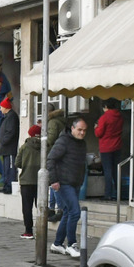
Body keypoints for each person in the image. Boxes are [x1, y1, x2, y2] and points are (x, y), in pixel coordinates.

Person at [47, 117, 89, 258]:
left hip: (75, 182)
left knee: (67, 212)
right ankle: (72, 244)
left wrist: (81, 180)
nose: (82, 133)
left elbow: (81, 164)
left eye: (84, 130)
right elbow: (50, 159)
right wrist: (54, 180)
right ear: (72, 128)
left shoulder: (82, 144)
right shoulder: (63, 141)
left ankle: (58, 244)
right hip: (63, 183)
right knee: (75, 212)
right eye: (79, 130)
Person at [95, 98, 124, 200]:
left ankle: (108, 194)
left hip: (106, 147)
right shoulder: (119, 116)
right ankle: (119, 193)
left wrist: (96, 127)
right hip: (117, 146)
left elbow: (99, 133)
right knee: (117, 170)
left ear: (106, 107)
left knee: (108, 171)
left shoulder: (104, 118)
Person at [17, 124, 43, 239]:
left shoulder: (24, 147)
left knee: (27, 207)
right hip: (40, 181)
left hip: (26, 181)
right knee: (41, 206)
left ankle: (28, 231)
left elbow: (17, 163)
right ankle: (41, 230)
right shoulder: (45, 146)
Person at [45, 105, 67, 222]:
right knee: (52, 181)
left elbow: (51, 138)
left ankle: (59, 208)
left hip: (53, 153)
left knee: (53, 181)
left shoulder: (53, 122)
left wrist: (43, 140)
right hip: (59, 153)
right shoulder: (61, 121)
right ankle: (52, 208)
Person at [0, 96, 20, 194]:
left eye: (1, 107)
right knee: (6, 168)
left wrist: (3, 141)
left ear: (6, 107)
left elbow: (11, 132)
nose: (0, 109)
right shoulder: (8, 117)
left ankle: (10, 186)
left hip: (9, 148)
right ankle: (6, 185)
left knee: (10, 168)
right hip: (6, 148)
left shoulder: (12, 116)